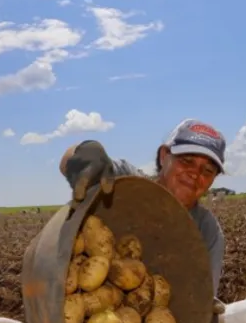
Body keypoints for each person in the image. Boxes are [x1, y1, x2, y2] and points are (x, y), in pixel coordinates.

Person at [59, 118, 227, 303]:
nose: (195, 173)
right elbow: (70, 160)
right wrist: (84, 154)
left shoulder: (207, 231)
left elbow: (203, 300)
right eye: (187, 161)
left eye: (208, 170)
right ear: (164, 156)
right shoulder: (127, 182)